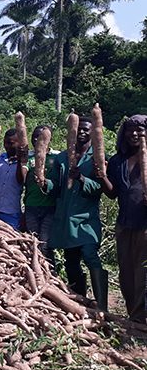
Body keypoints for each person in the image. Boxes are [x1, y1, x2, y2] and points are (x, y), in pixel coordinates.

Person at [46, 117, 111, 312]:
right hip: (66, 218)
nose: (82, 133)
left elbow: (101, 189)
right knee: (71, 261)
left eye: (86, 130)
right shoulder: (62, 157)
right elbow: (55, 187)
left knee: (91, 255)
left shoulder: (97, 157)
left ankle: (102, 306)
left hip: (86, 219)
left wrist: (82, 178)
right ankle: (80, 302)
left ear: (93, 133)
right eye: (79, 130)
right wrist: (43, 182)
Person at [104, 115, 147, 322]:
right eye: (130, 130)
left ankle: (140, 317)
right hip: (124, 223)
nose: (135, 134)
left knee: (142, 273)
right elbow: (112, 194)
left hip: (144, 225)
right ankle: (133, 314)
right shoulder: (117, 161)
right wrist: (102, 176)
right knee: (126, 272)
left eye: (140, 130)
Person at [23, 125, 59, 265]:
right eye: (35, 136)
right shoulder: (29, 156)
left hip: (50, 207)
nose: (37, 139)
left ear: (49, 139)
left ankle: (49, 274)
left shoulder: (57, 157)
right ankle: (35, 271)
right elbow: (22, 178)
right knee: (32, 242)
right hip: (31, 205)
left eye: (42, 136)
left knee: (45, 243)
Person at [0, 129, 27, 229]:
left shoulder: (25, 162)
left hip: (11, 213)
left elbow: (20, 180)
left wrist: (20, 160)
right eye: (5, 143)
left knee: (10, 240)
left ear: (19, 143)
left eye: (11, 143)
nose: (7, 146)